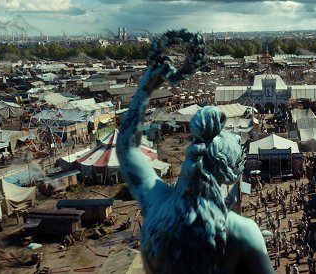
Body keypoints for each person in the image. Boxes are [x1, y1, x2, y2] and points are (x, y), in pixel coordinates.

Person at [116, 31, 273, 274]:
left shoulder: (156, 206)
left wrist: (144, 91)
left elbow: (127, 147)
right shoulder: (243, 232)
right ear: (231, 175)